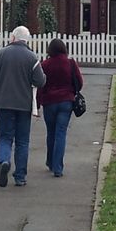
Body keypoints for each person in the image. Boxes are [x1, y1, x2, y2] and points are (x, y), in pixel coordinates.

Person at [0, 25, 45, 187]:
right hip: (23, 104)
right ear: (27, 40)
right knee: (22, 141)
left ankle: (4, 161)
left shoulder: (0, 55)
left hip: (4, 103)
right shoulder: (32, 57)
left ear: (13, 38)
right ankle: (20, 176)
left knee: (5, 137)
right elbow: (40, 81)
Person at [36, 38, 83, 178]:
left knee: (51, 133)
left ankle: (50, 161)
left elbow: (40, 85)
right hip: (65, 102)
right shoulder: (70, 63)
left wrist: (37, 104)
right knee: (60, 133)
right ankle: (58, 167)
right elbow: (79, 82)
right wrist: (72, 91)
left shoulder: (44, 65)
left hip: (49, 102)